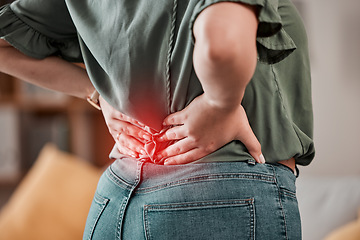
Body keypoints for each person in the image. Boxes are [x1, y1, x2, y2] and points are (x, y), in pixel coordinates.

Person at [0, 0, 315, 239]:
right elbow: (224, 44)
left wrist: (94, 90)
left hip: (113, 201)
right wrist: (221, 105)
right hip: (224, 199)